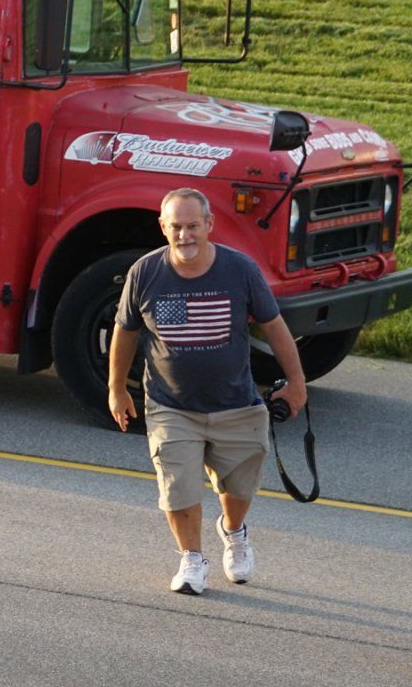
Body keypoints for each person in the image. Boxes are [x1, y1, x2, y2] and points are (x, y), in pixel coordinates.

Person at [107, 189, 307, 595]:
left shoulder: (240, 270)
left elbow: (275, 328)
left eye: (193, 226)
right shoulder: (145, 273)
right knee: (178, 485)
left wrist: (297, 384)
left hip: (236, 404)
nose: (185, 236)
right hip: (170, 406)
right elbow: (125, 332)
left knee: (238, 488)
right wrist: (116, 389)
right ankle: (192, 560)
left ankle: (233, 532)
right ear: (163, 227)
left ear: (209, 225)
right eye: (176, 227)